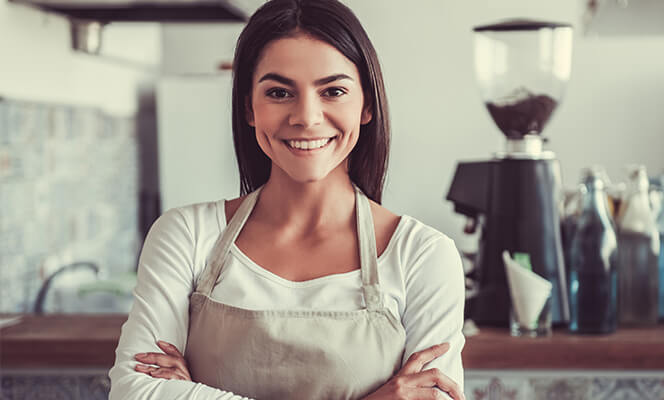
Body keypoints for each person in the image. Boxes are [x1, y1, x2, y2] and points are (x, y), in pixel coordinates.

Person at [107, 0, 466, 399]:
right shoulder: (186, 235)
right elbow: (134, 393)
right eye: (279, 92)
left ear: (366, 104)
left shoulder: (423, 256)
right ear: (249, 107)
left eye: (333, 91)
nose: (307, 116)